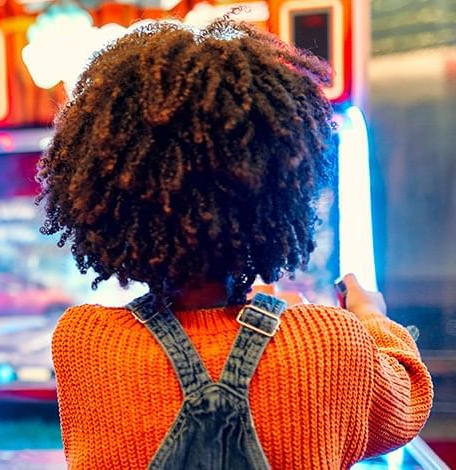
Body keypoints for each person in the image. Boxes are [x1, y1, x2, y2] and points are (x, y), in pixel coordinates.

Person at [40, 19, 433, 469]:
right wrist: (369, 315)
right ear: (282, 194)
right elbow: (409, 401)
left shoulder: (83, 342)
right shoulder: (329, 339)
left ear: (99, 197)